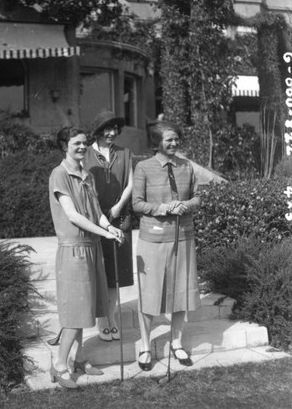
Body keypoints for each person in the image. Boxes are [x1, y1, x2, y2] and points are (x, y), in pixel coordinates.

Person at [49, 126, 124, 389]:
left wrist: (109, 227)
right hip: (73, 250)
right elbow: (73, 215)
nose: (81, 147)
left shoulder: (87, 175)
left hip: (91, 247)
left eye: (84, 143)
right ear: (64, 146)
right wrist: (103, 234)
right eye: (76, 144)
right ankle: (59, 365)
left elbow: (95, 212)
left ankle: (79, 358)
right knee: (74, 313)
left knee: (87, 308)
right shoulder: (59, 175)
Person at [132, 120, 201, 371]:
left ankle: (176, 341)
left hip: (183, 236)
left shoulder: (186, 166)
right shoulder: (143, 167)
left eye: (176, 139)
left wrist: (187, 205)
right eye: (168, 140)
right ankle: (145, 347)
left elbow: (197, 196)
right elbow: (137, 203)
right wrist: (161, 208)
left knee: (181, 291)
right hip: (154, 240)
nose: (174, 143)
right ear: (156, 142)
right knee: (151, 294)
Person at [83, 110, 134, 342]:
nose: (112, 132)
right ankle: (102, 319)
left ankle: (111, 317)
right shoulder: (85, 155)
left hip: (119, 219)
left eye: (115, 128)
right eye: (107, 128)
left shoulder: (124, 153)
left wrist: (118, 206)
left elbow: (130, 183)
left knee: (115, 274)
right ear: (98, 131)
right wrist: (100, 213)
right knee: (99, 271)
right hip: (94, 221)